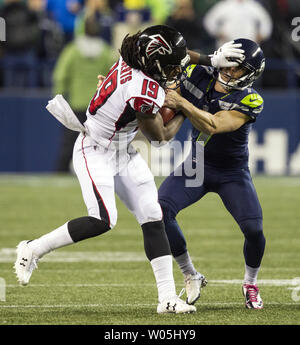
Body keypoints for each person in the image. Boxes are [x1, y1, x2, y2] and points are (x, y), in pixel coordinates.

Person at [14, 25, 243, 314]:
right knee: (103, 219)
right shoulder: (142, 89)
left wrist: (211, 59)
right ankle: (32, 249)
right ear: (155, 63)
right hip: (94, 148)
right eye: (171, 66)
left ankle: (167, 299)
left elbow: (179, 56)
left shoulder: (136, 57)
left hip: (122, 151)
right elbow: (160, 137)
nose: (177, 69)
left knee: (152, 215)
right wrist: (186, 107)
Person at [159, 38, 266, 309]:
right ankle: (189, 273)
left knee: (254, 230)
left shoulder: (250, 98)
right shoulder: (202, 73)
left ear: (250, 74)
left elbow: (214, 125)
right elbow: (174, 53)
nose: (229, 71)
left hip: (232, 172)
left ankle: (250, 283)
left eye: (237, 68)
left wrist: (182, 102)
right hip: (197, 165)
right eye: (227, 64)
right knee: (160, 210)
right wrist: (207, 58)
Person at [53, 15, 115, 172]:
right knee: (99, 145)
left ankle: (60, 172)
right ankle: (97, 173)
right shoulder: (105, 52)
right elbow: (114, 77)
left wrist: (59, 97)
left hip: (77, 103)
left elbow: (60, 75)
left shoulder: (73, 51)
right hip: (98, 106)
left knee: (69, 142)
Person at [203, 0, 273, 49]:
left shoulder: (253, 5)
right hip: (227, 46)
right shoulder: (225, 5)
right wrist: (218, 33)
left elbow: (266, 21)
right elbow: (209, 20)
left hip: (249, 47)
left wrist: (262, 35)